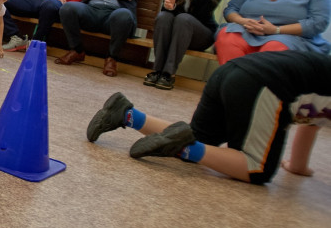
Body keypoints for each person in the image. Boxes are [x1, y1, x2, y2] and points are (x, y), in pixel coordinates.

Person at [85, 51, 331, 185]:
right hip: (263, 85)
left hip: (231, 71)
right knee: (258, 168)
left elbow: (313, 121)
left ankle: (128, 115)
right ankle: (182, 147)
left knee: (200, 137)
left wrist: (298, 166)